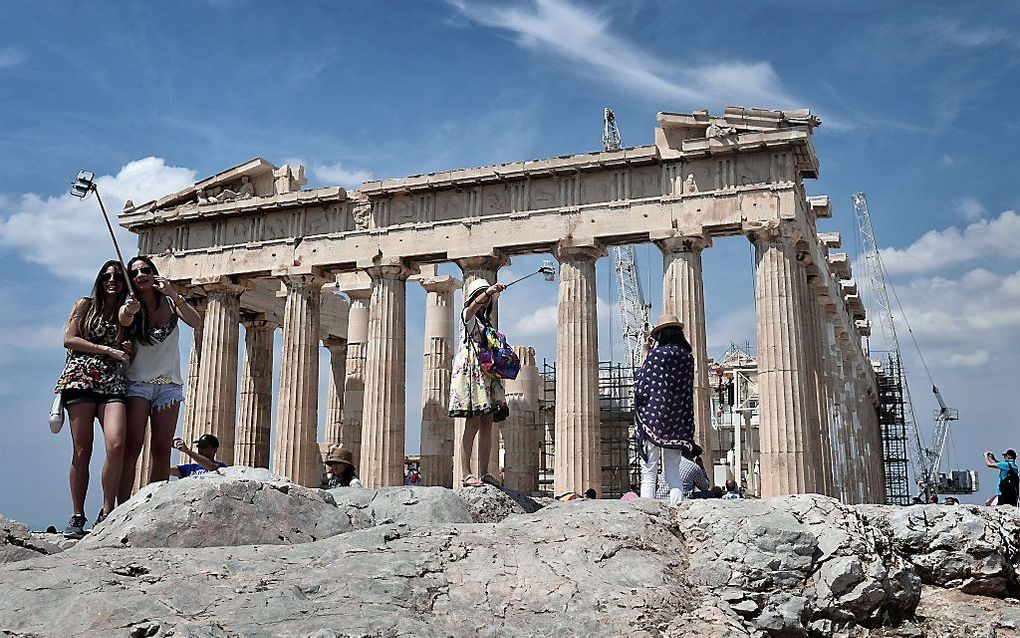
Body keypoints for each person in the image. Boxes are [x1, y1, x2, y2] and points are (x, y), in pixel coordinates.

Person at [55, 260, 134, 538]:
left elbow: (132, 353)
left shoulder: (129, 313)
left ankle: (107, 509)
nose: (112, 281)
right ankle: (77, 515)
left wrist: (126, 349)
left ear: (125, 283)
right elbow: (69, 339)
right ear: (100, 280)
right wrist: (107, 350)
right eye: (106, 276)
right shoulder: (84, 305)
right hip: (81, 379)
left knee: (116, 444)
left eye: (118, 277)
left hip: (113, 381)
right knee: (82, 450)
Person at [118, 256, 201, 493]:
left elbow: (196, 322)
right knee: (133, 447)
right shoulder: (131, 306)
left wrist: (174, 295)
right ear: (131, 280)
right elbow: (123, 319)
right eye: (134, 273)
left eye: (145, 270)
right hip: (138, 383)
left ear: (154, 273)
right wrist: (131, 309)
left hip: (169, 385)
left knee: (162, 449)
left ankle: (153, 504)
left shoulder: (171, 303)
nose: (140, 275)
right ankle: (121, 507)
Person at [634, 314, 701, 505]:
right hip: (678, 418)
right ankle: (677, 505)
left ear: (661, 335)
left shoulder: (657, 355)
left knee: (649, 468)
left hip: (653, 417)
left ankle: (647, 507)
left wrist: (646, 350)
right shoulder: (688, 358)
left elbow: (641, 381)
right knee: (673, 468)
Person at [449, 278, 508, 487]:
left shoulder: (485, 322)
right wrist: (489, 291)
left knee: (487, 423)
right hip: (471, 373)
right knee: (471, 423)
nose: (485, 302)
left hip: (486, 374)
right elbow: (472, 308)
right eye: (482, 296)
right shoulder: (467, 316)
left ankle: (483, 473)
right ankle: (465, 474)